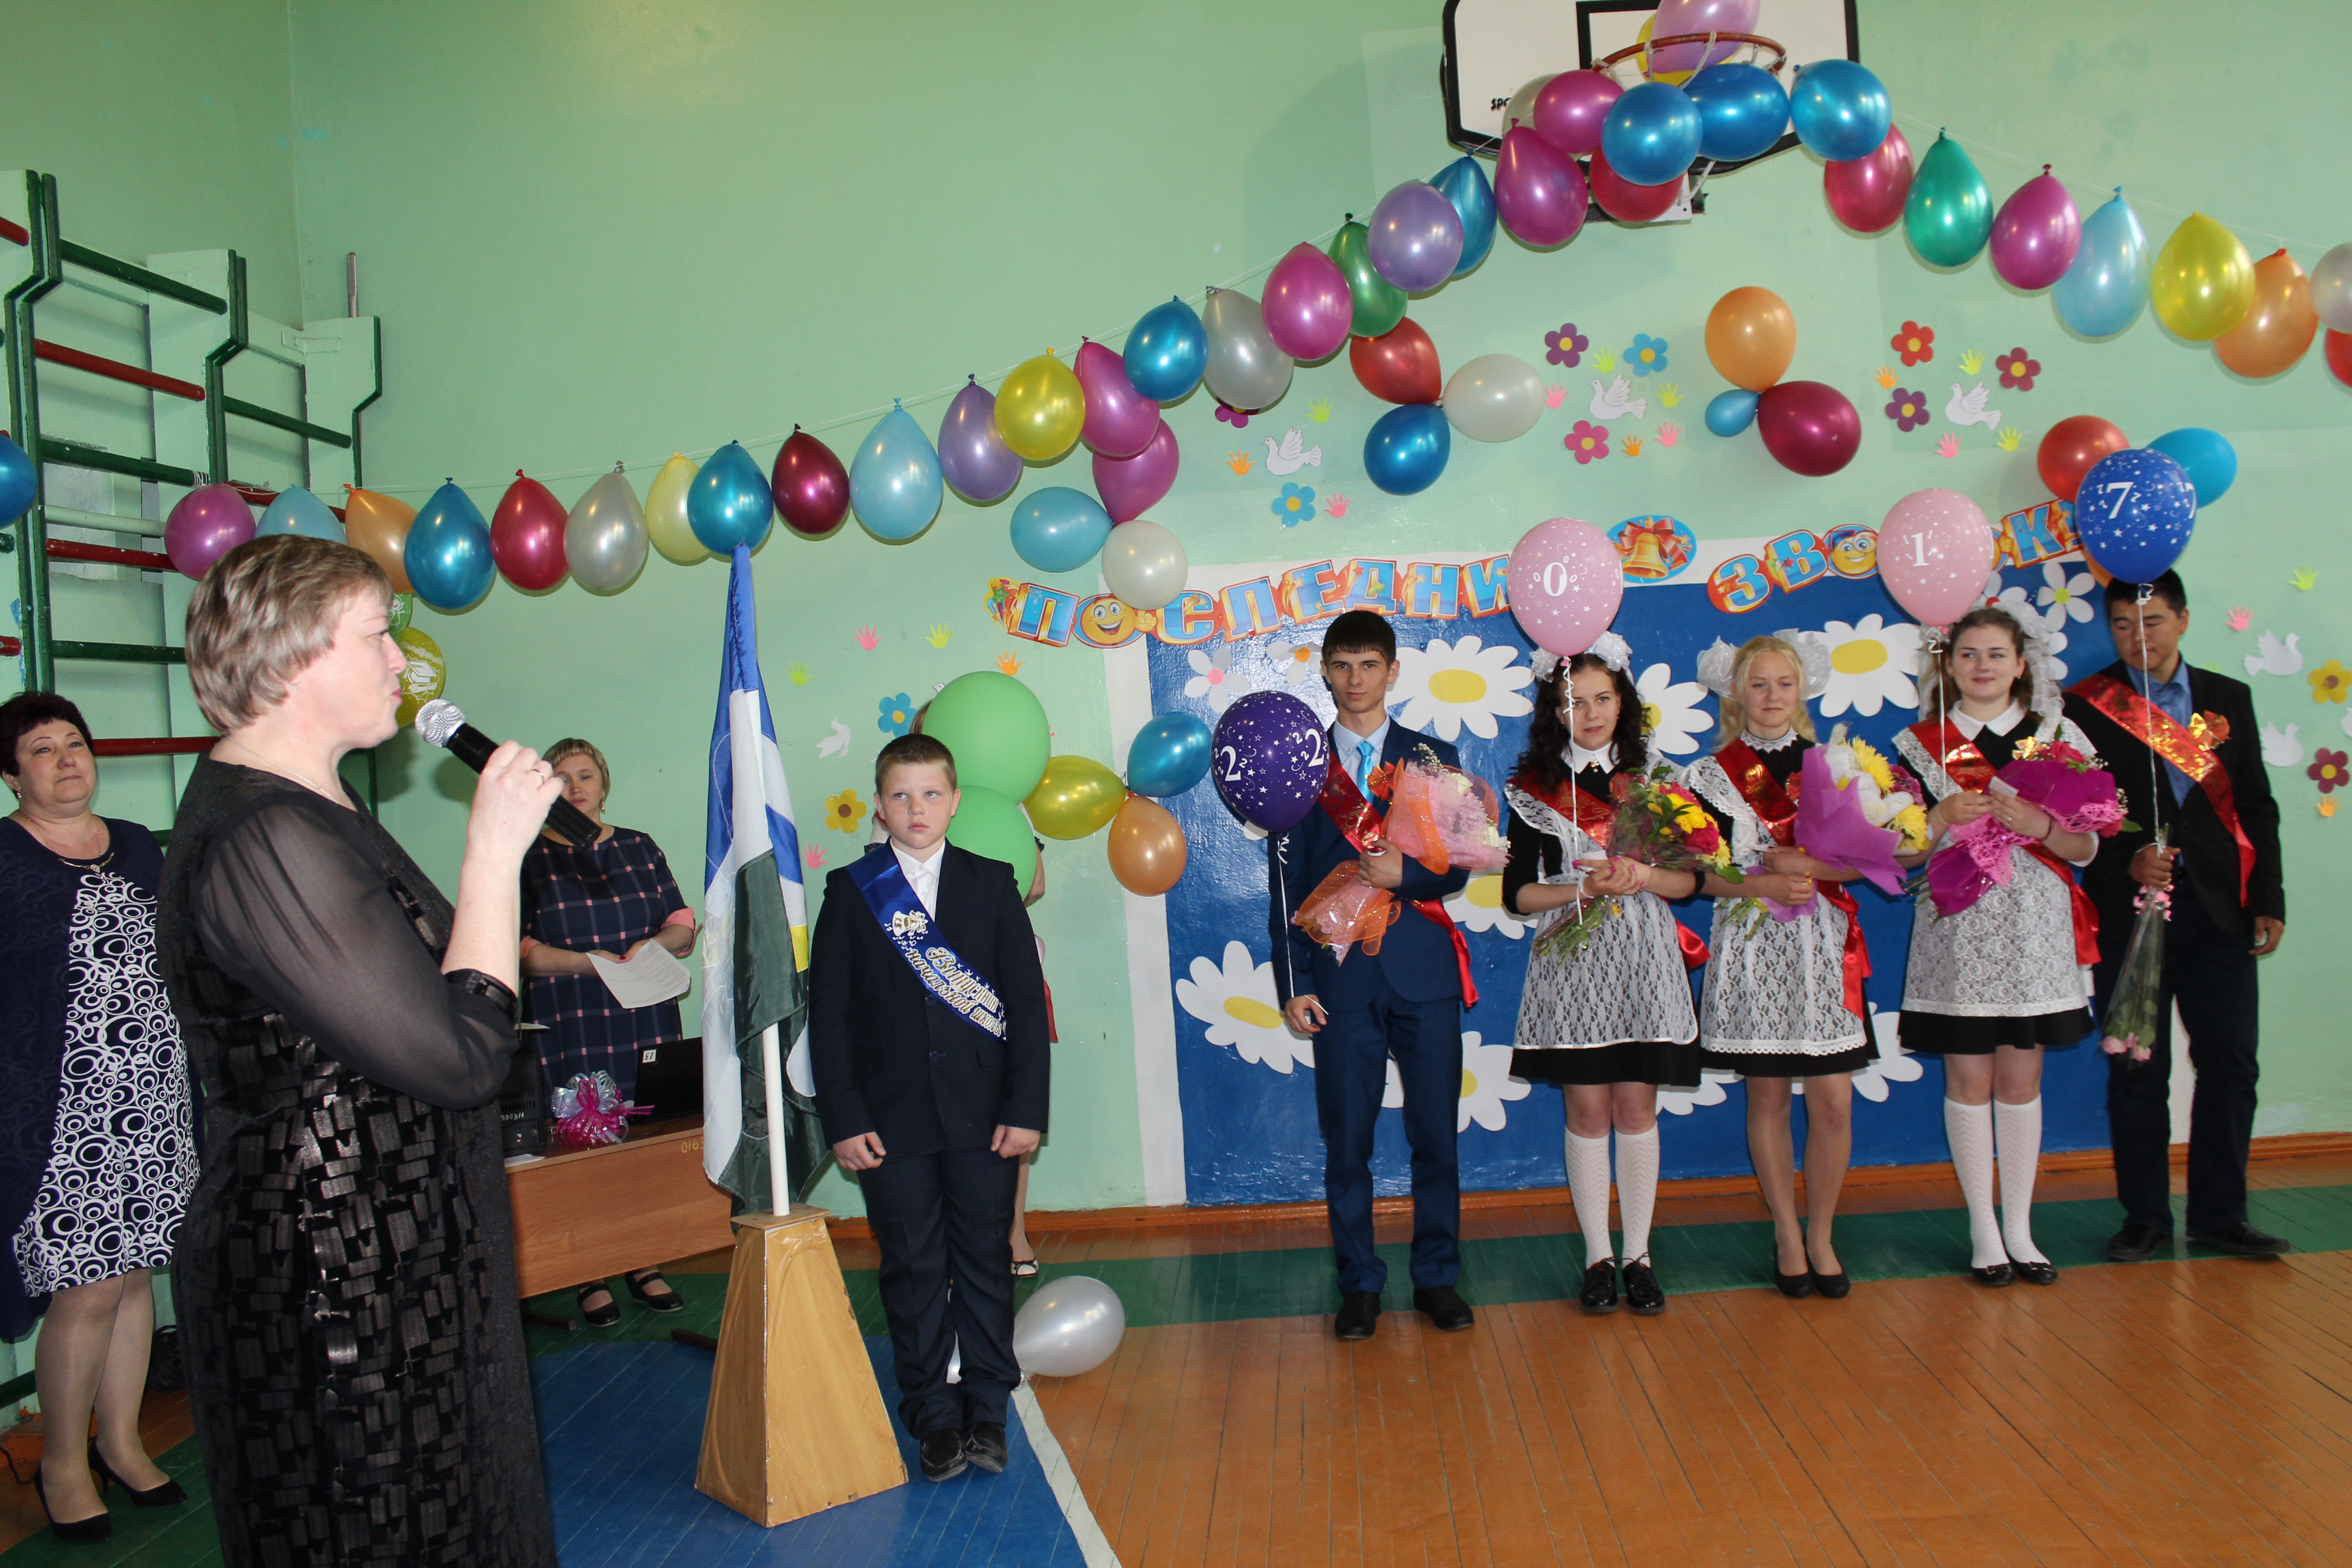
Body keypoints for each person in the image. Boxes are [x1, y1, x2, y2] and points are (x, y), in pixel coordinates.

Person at [157, 534, 561, 1567]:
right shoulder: (263, 838)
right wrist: (492, 852)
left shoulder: (316, 809)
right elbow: (463, 1057)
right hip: (329, 1279)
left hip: (398, 1259)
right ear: (292, 655)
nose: (399, 661)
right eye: (377, 636)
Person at [808, 733, 1049, 1484]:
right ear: (880, 807)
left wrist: (1027, 1107)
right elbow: (829, 1015)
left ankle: (987, 1410)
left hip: (985, 1114)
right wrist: (844, 1117)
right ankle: (933, 1418)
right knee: (912, 1268)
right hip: (889, 1119)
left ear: (955, 801)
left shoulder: (993, 882)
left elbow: (1024, 1006)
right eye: (901, 795)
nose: (917, 809)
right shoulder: (853, 890)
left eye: (931, 794)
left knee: (984, 1262)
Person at [0, 693, 196, 1541]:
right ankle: (61, 1463)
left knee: (135, 1276)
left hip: (153, 1097)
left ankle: (120, 1442)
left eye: (74, 743)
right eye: (42, 750)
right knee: (86, 1285)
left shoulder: (138, 843)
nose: (65, 760)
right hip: (60, 1112)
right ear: (12, 777)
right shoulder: (4, 855)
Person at [2065, 572, 2289, 1261]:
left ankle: (2223, 1215)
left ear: (2184, 620)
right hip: (2132, 915)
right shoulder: (2084, 706)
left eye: (2154, 621)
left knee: (2231, 1063)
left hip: (2221, 912)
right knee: (2138, 1069)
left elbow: (2256, 805)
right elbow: (2075, 816)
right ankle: (2146, 1219)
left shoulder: (2229, 697)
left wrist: (2269, 900)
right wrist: (2128, 859)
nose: (2140, 637)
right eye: (2124, 625)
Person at [1269, 610, 1476, 1342]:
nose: (1355, 679)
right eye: (1342, 665)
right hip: (1341, 980)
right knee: (1348, 1141)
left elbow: (1459, 866)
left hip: (1423, 973)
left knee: (1436, 1137)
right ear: (1325, 672)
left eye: (1369, 665)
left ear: (1393, 671)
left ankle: (1438, 1278)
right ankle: (1359, 1283)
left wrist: (1406, 877)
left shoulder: (1434, 756)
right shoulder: (1300, 766)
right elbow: (1285, 885)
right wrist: (1292, 982)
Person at [1893, 605, 2099, 1288]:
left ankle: (2021, 1230)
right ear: (1949, 665)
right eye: (1969, 654)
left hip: (2035, 931)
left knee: (2020, 1081)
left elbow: (2086, 847)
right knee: (1969, 1080)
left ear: (2020, 664)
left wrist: (2042, 824)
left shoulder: (2057, 736)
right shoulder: (1921, 744)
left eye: (1996, 654)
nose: (1982, 666)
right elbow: (1899, 855)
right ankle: (1983, 1231)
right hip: (1957, 933)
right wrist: (1937, 817)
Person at [1503, 634, 1701, 1318]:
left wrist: (1642, 875)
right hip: (1573, 962)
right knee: (1587, 1111)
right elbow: (1516, 896)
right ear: (1554, 711)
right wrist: (1581, 890)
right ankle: (1597, 1258)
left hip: (1645, 959)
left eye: (1602, 698)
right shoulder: (1534, 789)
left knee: (1637, 1109)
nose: (1589, 714)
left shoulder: (1660, 779)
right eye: (1574, 702)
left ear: (1623, 702)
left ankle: (1639, 1255)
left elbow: (1689, 882)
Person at [1682, 634, 1874, 1300]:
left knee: (1833, 1100)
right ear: (1736, 692)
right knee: (1766, 1095)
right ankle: (1787, 1234)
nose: (1771, 696)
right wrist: (1760, 884)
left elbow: (1868, 861)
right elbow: (1698, 877)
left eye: (1783, 684)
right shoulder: (1708, 774)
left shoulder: (1836, 765)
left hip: (1824, 947)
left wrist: (1811, 867)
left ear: (1803, 689)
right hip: (1752, 944)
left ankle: (1823, 1234)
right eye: (1758, 684)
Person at [517, 736, 698, 1325]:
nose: (576, 786)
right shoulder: (527, 856)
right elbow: (517, 948)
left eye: (586, 775)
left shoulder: (640, 847)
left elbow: (682, 926)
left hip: (642, 1013)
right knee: (580, 1144)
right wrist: (585, 963)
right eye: (563, 777)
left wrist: (652, 946)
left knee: (641, 1142)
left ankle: (643, 1261)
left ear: (604, 785)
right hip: (568, 1016)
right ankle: (588, 1273)